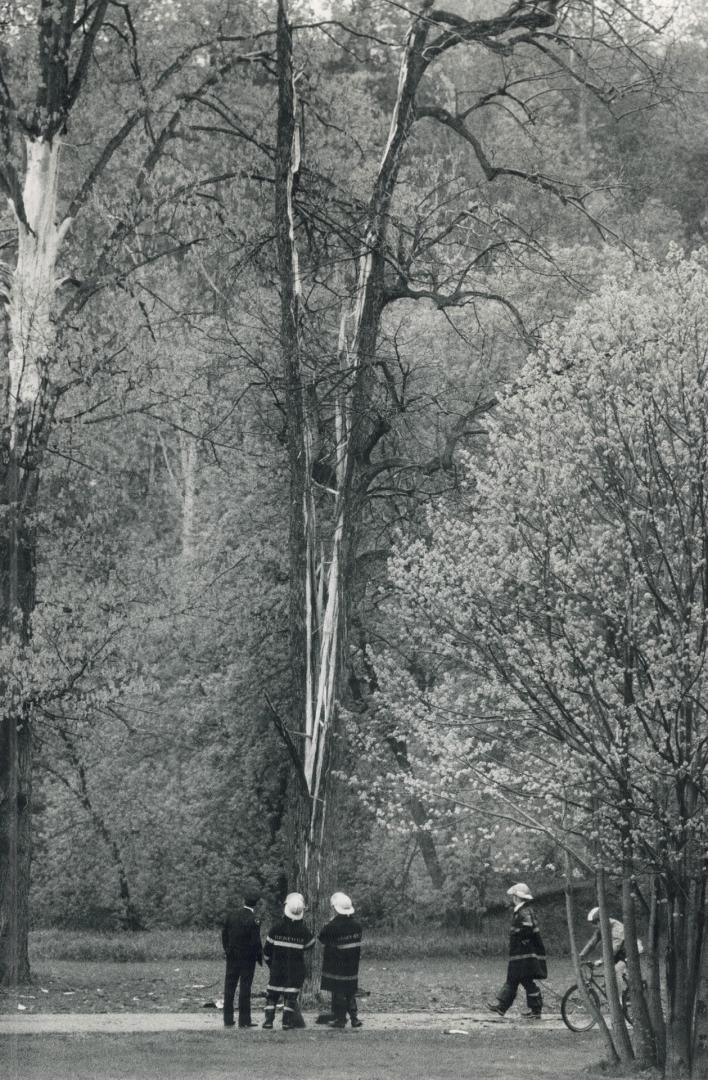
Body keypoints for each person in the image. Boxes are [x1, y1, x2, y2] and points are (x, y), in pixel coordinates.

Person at [488, 882, 547, 1019]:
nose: (512, 898)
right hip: (519, 954)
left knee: (524, 981)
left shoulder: (524, 911)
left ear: (517, 897)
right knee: (514, 979)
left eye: (513, 896)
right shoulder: (522, 910)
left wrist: (521, 939)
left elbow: (527, 929)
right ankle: (502, 1007)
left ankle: (535, 1011)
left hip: (524, 955)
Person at [262, 892, 316, 1030]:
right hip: (295, 969)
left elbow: (267, 951)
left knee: (272, 995)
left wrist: (271, 964)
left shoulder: (276, 928)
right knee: (291, 997)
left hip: (277, 968)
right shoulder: (303, 930)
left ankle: (268, 1021)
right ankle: (286, 1022)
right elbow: (311, 944)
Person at [318, 891, 363, 1029]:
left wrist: (330, 921)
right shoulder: (357, 925)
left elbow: (322, 938)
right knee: (350, 990)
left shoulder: (332, 926)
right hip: (352, 965)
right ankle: (354, 1018)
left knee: (338, 991)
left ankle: (340, 1019)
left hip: (336, 964)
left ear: (335, 908)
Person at [221, 883, 263, 1028]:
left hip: (232, 956)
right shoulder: (254, 919)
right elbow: (256, 941)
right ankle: (244, 1020)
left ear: (244, 900)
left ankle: (227, 1019)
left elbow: (224, 935)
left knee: (229, 987)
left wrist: (227, 949)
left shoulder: (231, 915)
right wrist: (259, 957)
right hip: (247, 959)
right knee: (245, 988)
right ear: (256, 902)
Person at [579, 907, 627, 985]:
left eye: (595, 922)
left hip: (627, 953)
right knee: (608, 977)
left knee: (615, 972)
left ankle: (620, 996)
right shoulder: (603, 927)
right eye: (592, 923)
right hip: (618, 953)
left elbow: (615, 947)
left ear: (602, 919)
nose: (594, 926)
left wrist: (602, 960)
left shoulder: (616, 927)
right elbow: (592, 942)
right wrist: (582, 954)